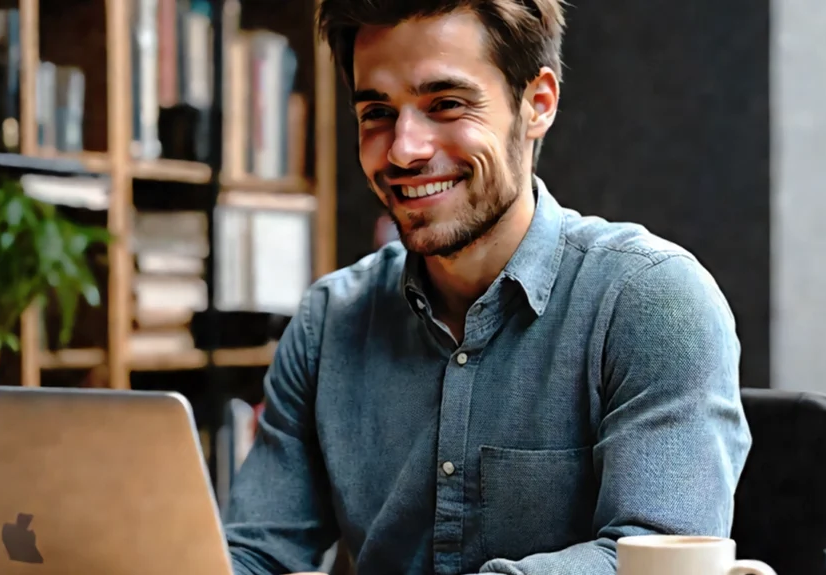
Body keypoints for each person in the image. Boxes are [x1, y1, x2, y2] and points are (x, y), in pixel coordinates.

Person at [223, 1, 752, 574]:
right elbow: (256, 553)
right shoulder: (329, 322)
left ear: (537, 104)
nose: (404, 148)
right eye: (377, 112)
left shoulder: (651, 300)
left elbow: (657, 561)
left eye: (445, 105)